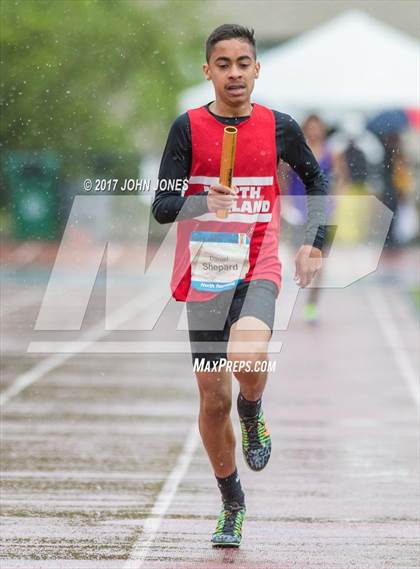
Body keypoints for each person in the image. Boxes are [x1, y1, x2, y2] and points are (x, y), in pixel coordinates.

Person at [152, 24, 327, 547]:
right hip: (206, 273)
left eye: (243, 63)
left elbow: (317, 180)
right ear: (208, 71)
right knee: (211, 400)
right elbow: (162, 207)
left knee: (250, 361)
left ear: (256, 69)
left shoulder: (280, 127)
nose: (234, 73)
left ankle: (252, 411)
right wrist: (205, 202)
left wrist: (316, 242)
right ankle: (232, 500)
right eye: (223, 64)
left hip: (257, 266)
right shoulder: (187, 129)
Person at [285, 114, 347, 323]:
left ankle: (312, 303)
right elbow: (283, 177)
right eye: (310, 128)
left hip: (322, 212)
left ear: (322, 129)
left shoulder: (332, 153)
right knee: (300, 259)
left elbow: (340, 178)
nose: (314, 132)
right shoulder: (296, 151)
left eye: (317, 128)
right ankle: (304, 290)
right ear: (305, 129)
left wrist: (335, 198)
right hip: (299, 213)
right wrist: (285, 203)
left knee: (319, 261)